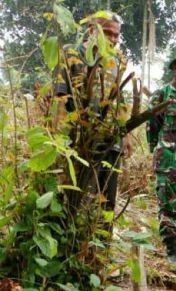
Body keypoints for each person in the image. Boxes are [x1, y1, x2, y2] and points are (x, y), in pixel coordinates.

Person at [54, 12, 132, 216]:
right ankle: (74, 244)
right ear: (92, 31)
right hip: (80, 141)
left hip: (110, 142)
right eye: (107, 33)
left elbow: (119, 100)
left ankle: (100, 247)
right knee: (74, 200)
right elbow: (59, 97)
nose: (113, 39)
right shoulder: (71, 53)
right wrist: (59, 137)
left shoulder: (117, 62)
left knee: (106, 202)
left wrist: (125, 135)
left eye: (116, 35)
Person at [147, 48, 176, 264]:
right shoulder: (163, 94)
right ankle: (172, 249)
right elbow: (152, 125)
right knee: (168, 205)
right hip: (168, 161)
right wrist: (158, 149)